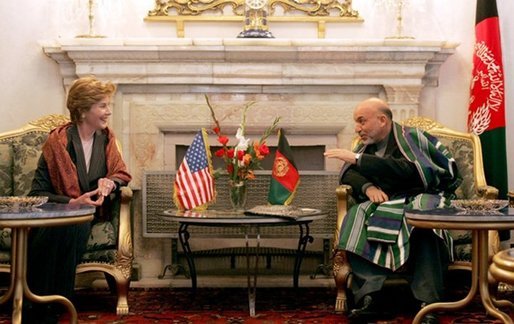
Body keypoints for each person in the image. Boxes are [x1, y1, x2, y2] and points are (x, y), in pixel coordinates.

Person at [324, 98, 461, 324]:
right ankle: (370, 297)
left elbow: (410, 170)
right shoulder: (366, 144)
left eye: (361, 121)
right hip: (385, 199)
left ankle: (428, 302)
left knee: (423, 220)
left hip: (420, 195)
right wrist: (368, 188)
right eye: (356, 123)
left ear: (382, 120)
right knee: (356, 217)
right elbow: (349, 173)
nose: (357, 128)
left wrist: (358, 159)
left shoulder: (410, 138)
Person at [25, 76, 132, 323]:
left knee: (78, 223)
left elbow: (121, 175)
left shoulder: (106, 139)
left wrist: (110, 183)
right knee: (67, 225)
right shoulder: (57, 143)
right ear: (84, 110)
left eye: (108, 105)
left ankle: (47, 304)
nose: (108, 112)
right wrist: (71, 203)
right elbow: (37, 194)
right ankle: (47, 303)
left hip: (90, 216)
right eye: (103, 106)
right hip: (59, 215)